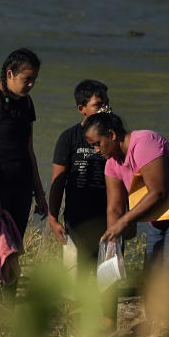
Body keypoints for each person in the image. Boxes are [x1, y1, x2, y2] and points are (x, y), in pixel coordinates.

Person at [83, 112, 169, 337]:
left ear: (112, 135)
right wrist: (113, 244)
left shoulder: (144, 142)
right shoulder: (112, 164)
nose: (96, 150)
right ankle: (159, 334)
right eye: (91, 146)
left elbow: (158, 192)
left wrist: (124, 223)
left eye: (97, 144)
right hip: (160, 220)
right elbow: (114, 207)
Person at [0, 48, 47, 308]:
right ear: (10, 73)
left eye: (34, 79)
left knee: (12, 251)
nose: (31, 84)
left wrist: (40, 193)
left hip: (21, 186)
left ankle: (9, 318)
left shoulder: (26, 103)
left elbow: (29, 151)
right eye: (27, 78)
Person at [49, 79, 111, 274]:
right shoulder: (69, 138)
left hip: (108, 219)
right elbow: (58, 181)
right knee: (75, 280)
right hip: (76, 221)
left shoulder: (114, 136)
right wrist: (53, 218)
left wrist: (128, 218)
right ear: (81, 108)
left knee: (107, 278)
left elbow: (127, 179)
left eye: (106, 103)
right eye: (98, 105)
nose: (105, 109)